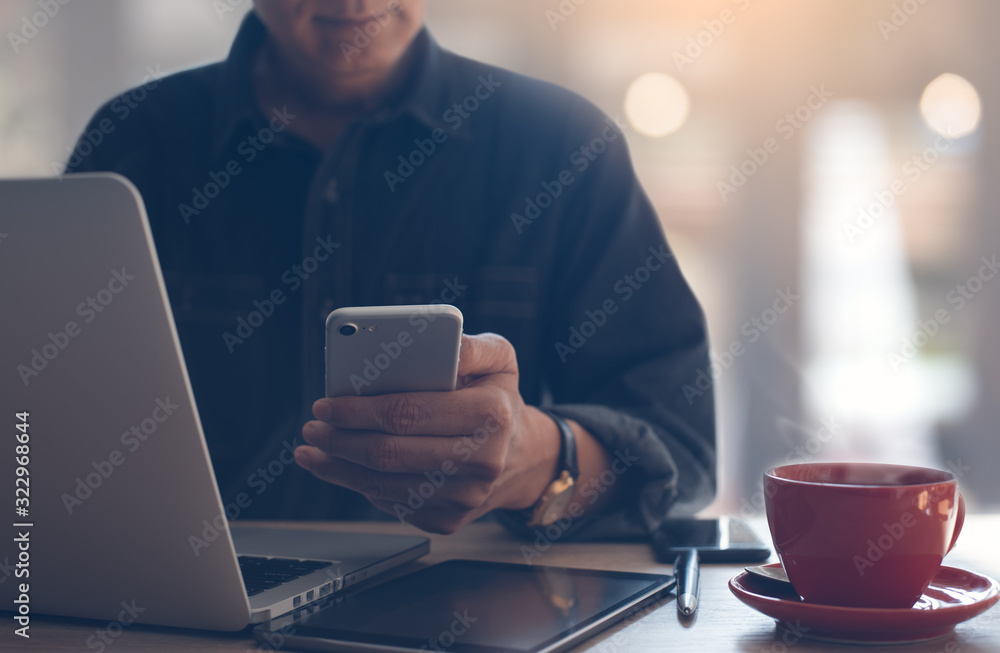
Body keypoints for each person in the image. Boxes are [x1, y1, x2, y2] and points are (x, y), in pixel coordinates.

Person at [66, 0, 716, 539]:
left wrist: (537, 460)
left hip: (472, 610)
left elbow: (680, 447)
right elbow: (45, 427)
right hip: (178, 615)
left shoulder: (565, 148)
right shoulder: (133, 143)